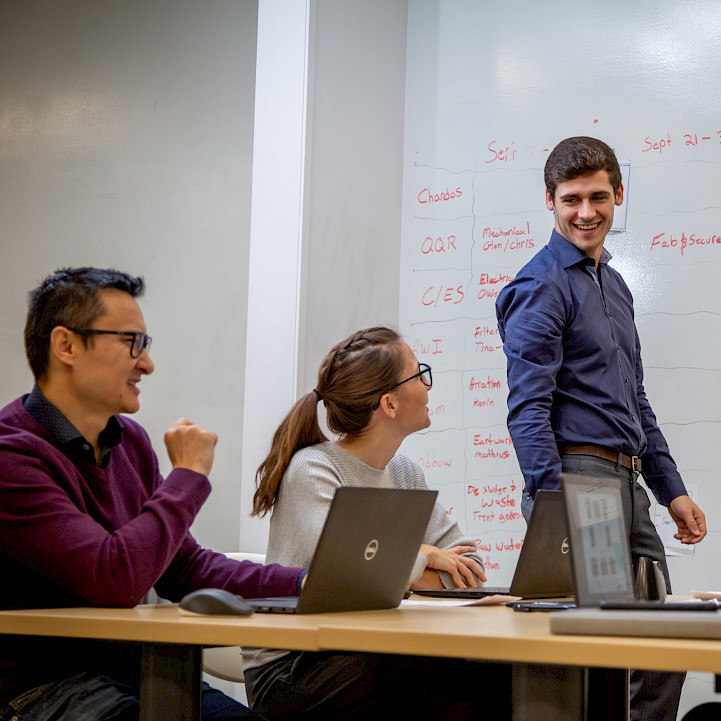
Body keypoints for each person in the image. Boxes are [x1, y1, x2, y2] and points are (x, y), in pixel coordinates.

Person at [0, 267, 305, 721]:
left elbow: (182, 567)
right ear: (65, 346)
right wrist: (188, 475)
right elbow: (113, 577)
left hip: (140, 672)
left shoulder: (131, 442)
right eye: (132, 343)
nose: (147, 364)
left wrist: (307, 583)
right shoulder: (11, 457)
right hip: (44, 689)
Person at [495, 136, 707, 721]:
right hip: (579, 480)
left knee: (662, 642)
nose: (585, 212)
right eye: (571, 200)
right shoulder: (542, 284)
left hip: (628, 481)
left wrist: (673, 490)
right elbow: (526, 407)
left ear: (618, 194)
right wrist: (551, 503)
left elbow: (635, 400)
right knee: (598, 656)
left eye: (597, 196)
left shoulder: (613, 285)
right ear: (550, 202)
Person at [244, 326, 510, 720]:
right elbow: (349, 575)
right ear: (389, 403)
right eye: (419, 374)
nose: (427, 385)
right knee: (456, 672)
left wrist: (406, 568)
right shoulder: (313, 469)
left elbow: (470, 571)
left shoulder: (405, 473)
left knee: (496, 668)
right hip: (294, 666)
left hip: (369, 647)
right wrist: (426, 555)